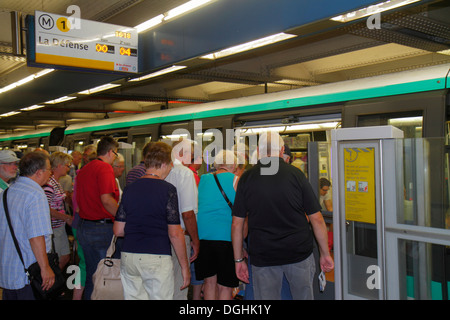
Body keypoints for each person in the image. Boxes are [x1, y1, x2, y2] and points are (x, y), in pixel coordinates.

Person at [231, 131, 334, 300]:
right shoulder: (296, 175)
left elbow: (237, 224)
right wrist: (324, 254)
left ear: (258, 150)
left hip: (263, 255)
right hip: (298, 252)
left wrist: (238, 260)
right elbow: (316, 218)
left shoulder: (246, 178)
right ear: (281, 151)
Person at [113, 142, 190, 299]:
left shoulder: (129, 189)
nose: (170, 170)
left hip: (129, 257)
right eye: (170, 165)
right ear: (163, 164)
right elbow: (175, 233)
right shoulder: (167, 190)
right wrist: (184, 266)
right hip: (156, 257)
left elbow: (118, 230)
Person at [0, 151, 54, 300]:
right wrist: (45, 267)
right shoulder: (36, 195)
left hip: (8, 271)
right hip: (28, 273)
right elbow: (36, 236)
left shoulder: (7, 192)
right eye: (49, 169)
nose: (51, 173)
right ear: (38, 172)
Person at [75, 136, 120, 300]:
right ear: (110, 152)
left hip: (84, 227)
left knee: (92, 275)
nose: (115, 157)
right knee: (104, 277)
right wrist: (123, 218)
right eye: (115, 153)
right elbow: (107, 200)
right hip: (101, 229)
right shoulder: (105, 168)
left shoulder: (85, 169)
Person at [195, 149, 239, 300]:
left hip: (204, 238)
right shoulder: (236, 180)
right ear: (233, 164)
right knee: (225, 285)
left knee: (209, 282)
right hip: (226, 238)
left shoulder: (203, 179)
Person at [165, 139, 199, 300]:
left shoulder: (159, 170)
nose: (191, 158)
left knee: (163, 284)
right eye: (191, 155)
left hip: (159, 236)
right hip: (179, 234)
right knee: (180, 283)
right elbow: (188, 213)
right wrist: (195, 239)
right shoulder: (185, 173)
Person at [71, 145, 97, 300]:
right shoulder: (87, 179)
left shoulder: (79, 177)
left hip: (77, 224)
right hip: (84, 224)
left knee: (83, 264)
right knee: (87, 265)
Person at [43, 152, 73, 270]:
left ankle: (55, 283)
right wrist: (66, 217)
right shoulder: (50, 185)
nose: (68, 167)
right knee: (58, 259)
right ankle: (52, 284)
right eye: (67, 165)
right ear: (59, 165)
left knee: (65, 257)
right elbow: (46, 209)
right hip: (54, 228)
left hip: (59, 227)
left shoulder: (55, 182)